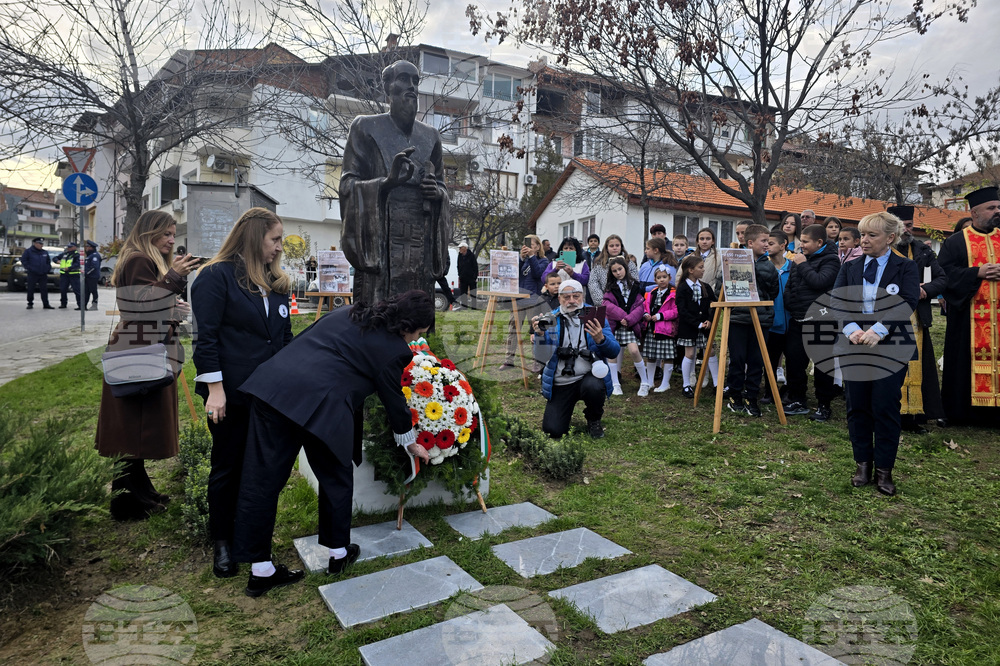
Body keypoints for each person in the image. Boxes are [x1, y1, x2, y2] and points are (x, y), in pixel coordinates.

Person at [232, 291, 435, 596]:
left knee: (260, 480)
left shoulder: (352, 312)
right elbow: (394, 401)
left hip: (273, 391)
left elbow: (305, 340)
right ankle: (338, 554)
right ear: (408, 327)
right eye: (418, 334)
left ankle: (260, 570)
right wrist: (410, 443)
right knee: (336, 477)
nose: (414, 341)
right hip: (322, 407)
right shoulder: (394, 349)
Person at [191, 208, 294, 579]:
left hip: (267, 394)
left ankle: (249, 539)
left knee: (261, 470)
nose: (280, 247)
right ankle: (221, 543)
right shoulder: (215, 277)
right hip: (229, 393)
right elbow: (206, 340)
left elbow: (282, 339)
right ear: (254, 238)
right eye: (275, 239)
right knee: (228, 466)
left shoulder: (276, 282)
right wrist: (215, 390)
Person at [95, 211, 200, 521]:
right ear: (149, 232)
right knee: (133, 430)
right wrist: (174, 278)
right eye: (166, 234)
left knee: (134, 429)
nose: (171, 240)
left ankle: (141, 492)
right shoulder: (139, 258)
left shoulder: (141, 258)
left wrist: (173, 309)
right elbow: (143, 305)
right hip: (139, 353)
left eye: (172, 234)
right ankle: (127, 504)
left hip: (140, 348)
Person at [340, 60, 450, 305]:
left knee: (416, 321)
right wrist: (386, 182)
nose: (411, 87)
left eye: (415, 81)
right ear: (387, 86)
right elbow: (347, 185)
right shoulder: (365, 127)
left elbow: (442, 187)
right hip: (382, 243)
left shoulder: (431, 136)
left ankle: (418, 345)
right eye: (403, 79)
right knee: (379, 318)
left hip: (419, 244)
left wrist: (438, 193)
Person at [833, 212, 920, 495]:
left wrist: (879, 329)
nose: (864, 240)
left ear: (890, 238)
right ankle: (862, 464)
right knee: (857, 405)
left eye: (872, 235)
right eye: (862, 234)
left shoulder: (906, 266)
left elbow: (907, 301)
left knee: (884, 406)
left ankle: (884, 470)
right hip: (855, 345)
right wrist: (853, 329)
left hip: (891, 345)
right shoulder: (850, 266)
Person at [937, 186, 1000, 427]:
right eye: (991, 208)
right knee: (964, 363)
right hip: (968, 318)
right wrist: (977, 273)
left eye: (998, 207)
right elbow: (944, 274)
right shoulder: (955, 242)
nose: (997, 212)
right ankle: (964, 413)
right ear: (974, 212)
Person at [532, 279, 620, 439]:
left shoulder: (594, 316)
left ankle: (594, 418)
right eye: (566, 297)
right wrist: (539, 336)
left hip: (588, 377)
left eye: (576, 296)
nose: (571, 300)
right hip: (561, 381)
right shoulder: (550, 318)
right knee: (553, 430)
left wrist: (601, 339)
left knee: (594, 386)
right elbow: (540, 357)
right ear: (559, 299)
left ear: (583, 297)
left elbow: (614, 351)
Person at [888, 205, 947, 433]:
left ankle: (914, 416)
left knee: (916, 365)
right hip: (889, 315)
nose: (905, 230)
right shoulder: (881, 251)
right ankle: (890, 413)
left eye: (909, 226)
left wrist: (926, 290)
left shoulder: (923, 250)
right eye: (901, 226)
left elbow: (941, 278)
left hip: (916, 318)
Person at [782, 224, 841, 420]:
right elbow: (792, 284)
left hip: (821, 320)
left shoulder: (832, 260)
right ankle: (798, 399)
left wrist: (802, 264)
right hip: (798, 319)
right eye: (801, 242)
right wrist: (790, 303)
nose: (802, 246)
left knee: (823, 363)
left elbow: (819, 282)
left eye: (806, 242)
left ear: (819, 242)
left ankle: (824, 405)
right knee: (794, 360)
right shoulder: (800, 260)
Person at [726, 225, 779, 417]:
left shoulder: (769, 265)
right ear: (750, 243)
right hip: (739, 319)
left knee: (756, 360)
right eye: (763, 241)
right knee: (738, 359)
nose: (767, 244)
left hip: (761, 319)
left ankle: (752, 397)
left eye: (768, 241)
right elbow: (721, 288)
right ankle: (734, 395)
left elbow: (773, 291)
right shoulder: (731, 260)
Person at [603, 257, 650, 396]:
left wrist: (629, 319)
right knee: (613, 353)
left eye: (620, 269)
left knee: (634, 351)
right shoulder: (610, 287)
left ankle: (645, 382)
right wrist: (622, 316)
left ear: (625, 268)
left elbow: (640, 305)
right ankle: (615, 383)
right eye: (614, 271)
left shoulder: (635, 285)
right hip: (615, 324)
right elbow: (607, 304)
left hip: (630, 325)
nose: (618, 272)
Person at [500, 235, 547, 369]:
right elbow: (513, 275)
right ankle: (509, 360)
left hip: (533, 301)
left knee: (535, 331)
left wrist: (532, 257)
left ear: (538, 246)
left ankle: (537, 363)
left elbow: (538, 274)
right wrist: (521, 258)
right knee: (513, 330)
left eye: (531, 245)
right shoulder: (521, 261)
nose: (528, 247)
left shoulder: (544, 261)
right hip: (518, 300)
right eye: (526, 245)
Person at [676, 254, 718, 397]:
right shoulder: (682, 288)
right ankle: (686, 385)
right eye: (700, 267)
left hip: (705, 327)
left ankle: (717, 384)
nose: (703, 270)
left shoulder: (705, 287)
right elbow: (682, 310)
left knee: (710, 351)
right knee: (690, 353)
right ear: (690, 270)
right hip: (689, 327)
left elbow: (714, 305)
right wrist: (697, 323)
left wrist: (710, 320)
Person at [762, 230, 792, 403]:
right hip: (770, 323)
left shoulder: (793, 268)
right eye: (765, 242)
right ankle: (769, 391)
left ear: (783, 246)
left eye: (771, 243)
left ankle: (789, 391)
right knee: (770, 360)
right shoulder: (764, 268)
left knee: (794, 362)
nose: (767, 245)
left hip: (790, 323)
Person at [642, 266, 679, 393]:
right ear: (655, 279)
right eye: (659, 278)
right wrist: (646, 314)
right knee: (651, 355)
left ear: (670, 278)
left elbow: (675, 311)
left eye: (664, 277)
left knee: (667, 356)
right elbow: (645, 306)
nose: (662, 280)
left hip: (666, 328)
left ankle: (665, 383)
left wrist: (661, 316)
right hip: (652, 328)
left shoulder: (673, 294)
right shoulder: (651, 293)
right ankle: (650, 381)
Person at [588, 234, 639, 307]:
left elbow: (635, 280)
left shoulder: (629, 263)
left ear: (621, 247)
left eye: (617, 245)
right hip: (606, 304)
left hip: (627, 302)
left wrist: (628, 300)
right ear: (607, 248)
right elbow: (593, 283)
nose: (615, 248)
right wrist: (603, 302)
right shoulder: (599, 264)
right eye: (611, 246)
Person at [20, 237, 54, 309]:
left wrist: (47, 269)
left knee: (44, 289)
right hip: (32, 274)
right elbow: (24, 261)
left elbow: (48, 262)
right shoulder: (28, 251)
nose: (41, 245)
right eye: (40, 244)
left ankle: (46, 304)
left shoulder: (44, 252)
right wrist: (29, 268)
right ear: (35, 243)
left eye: (42, 244)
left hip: (43, 274)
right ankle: (30, 303)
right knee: (31, 289)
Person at [55, 241, 82, 310]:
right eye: (68, 247)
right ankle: (63, 304)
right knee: (63, 289)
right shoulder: (65, 254)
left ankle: (80, 305)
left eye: (70, 247)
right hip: (64, 275)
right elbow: (55, 258)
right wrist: (57, 261)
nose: (69, 248)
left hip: (74, 275)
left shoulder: (77, 255)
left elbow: (77, 264)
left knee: (77, 290)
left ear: (75, 247)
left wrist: (69, 268)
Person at [696, 227, 723, 293]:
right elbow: (680, 278)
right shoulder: (689, 258)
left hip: (709, 296)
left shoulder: (720, 259)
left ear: (713, 241)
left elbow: (719, 280)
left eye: (708, 239)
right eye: (702, 239)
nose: (704, 242)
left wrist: (709, 292)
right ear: (697, 241)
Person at [83, 240, 101, 310]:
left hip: (93, 277)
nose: (86, 248)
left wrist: (86, 273)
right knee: (86, 292)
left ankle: (94, 305)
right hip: (88, 277)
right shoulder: (89, 255)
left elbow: (94, 267)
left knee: (93, 291)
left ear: (91, 247)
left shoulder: (95, 255)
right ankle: (84, 305)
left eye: (87, 247)